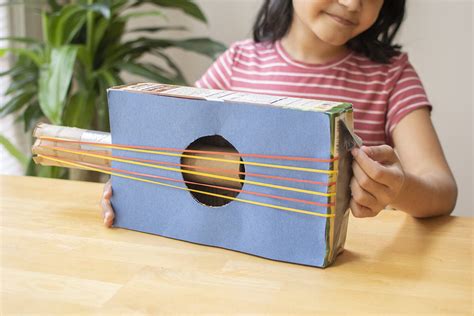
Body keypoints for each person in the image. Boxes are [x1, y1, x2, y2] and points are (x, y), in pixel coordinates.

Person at [101, 0, 457, 227]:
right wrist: (134, 184)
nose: (352, 3)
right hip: (241, 265)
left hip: (353, 276)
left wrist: (397, 188)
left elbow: (442, 190)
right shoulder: (235, 65)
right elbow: (171, 152)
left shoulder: (391, 76)